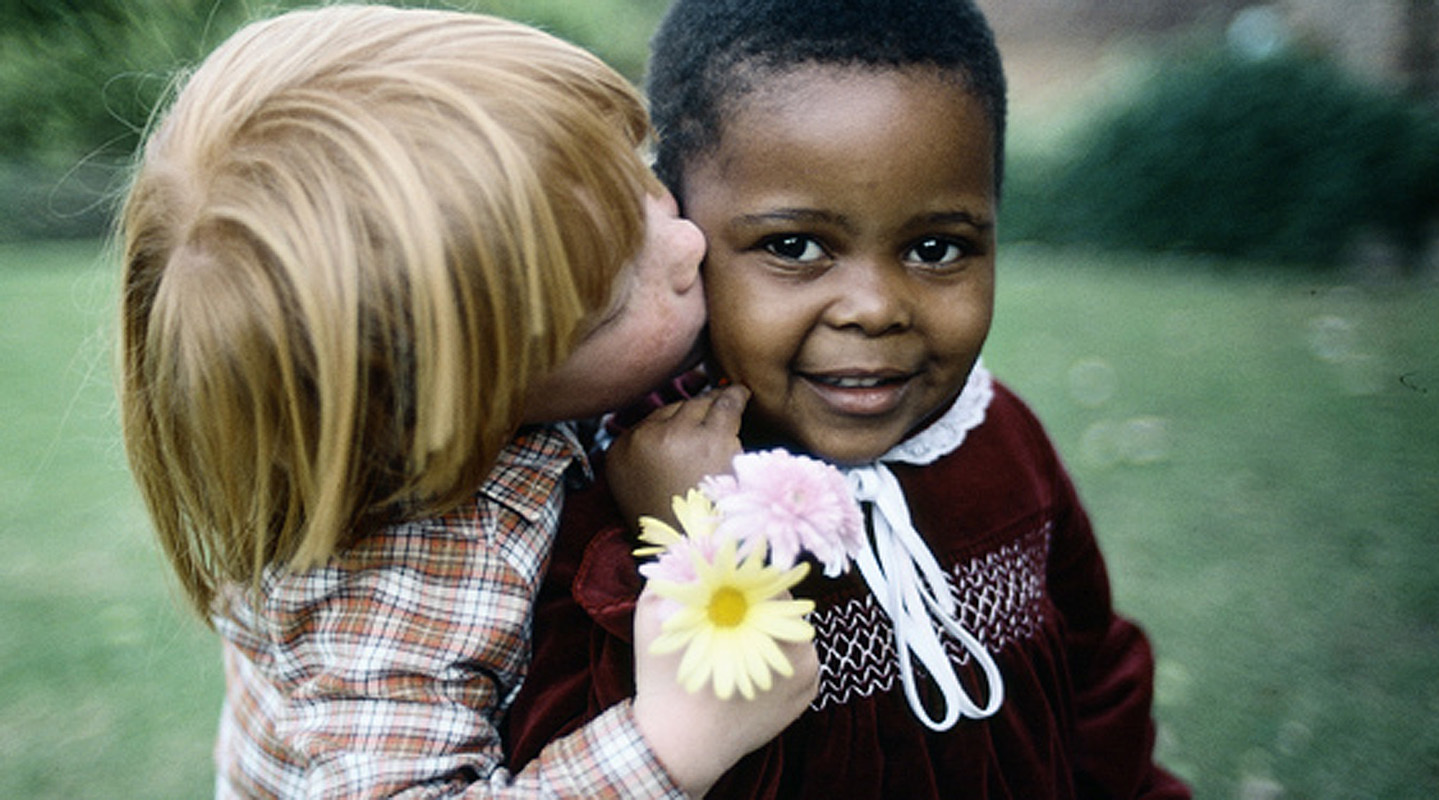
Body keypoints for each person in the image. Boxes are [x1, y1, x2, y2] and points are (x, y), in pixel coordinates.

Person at [115, 5, 816, 797]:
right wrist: (672, 740)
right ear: (454, 409)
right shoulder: (394, 573)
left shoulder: (534, 391)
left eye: (641, 177)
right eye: (613, 300)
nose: (688, 242)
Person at [505, 0, 1191, 796]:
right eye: (793, 247)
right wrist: (685, 550)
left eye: (937, 248)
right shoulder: (620, 487)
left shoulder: (999, 434)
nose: (874, 307)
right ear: (684, 231)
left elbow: (1097, 676)